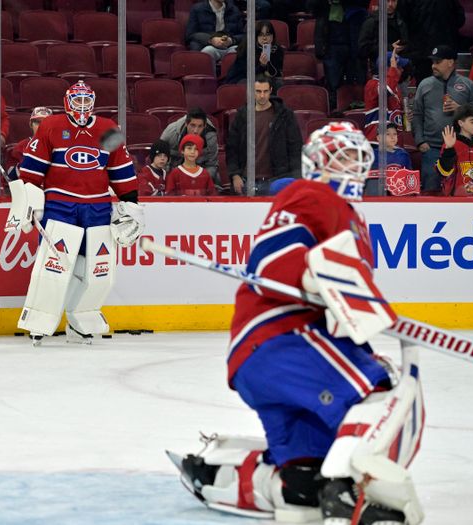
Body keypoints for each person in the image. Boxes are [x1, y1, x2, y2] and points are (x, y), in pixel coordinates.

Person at [172, 122, 424, 525]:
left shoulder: (351, 217)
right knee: (378, 388)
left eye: (354, 155)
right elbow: (270, 261)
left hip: (262, 362)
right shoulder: (310, 193)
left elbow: (347, 305)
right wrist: (316, 280)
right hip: (285, 341)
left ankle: (220, 474)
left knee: (304, 483)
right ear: (316, 161)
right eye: (339, 154)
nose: (349, 163)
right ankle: (351, 496)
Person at [10, 80, 143, 344]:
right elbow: (32, 172)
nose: (82, 106)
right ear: (67, 102)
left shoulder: (109, 129)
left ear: (93, 102)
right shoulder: (52, 126)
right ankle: (39, 320)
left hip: (98, 208)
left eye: (86, 100)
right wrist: (29, 204)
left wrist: (131, 205)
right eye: (77, 100)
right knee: (53, 266)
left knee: (96, 269)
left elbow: (122, 172)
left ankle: (81, 320)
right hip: (60, 205)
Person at [411, 45, 473, 194]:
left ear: (450, 62)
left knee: (461, 190)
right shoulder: (424, 85)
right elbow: (417, 114)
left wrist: (460, 108)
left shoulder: (467, 85)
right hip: (431, 147)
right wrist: (420, 140)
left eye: (438, 62)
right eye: (432, 62)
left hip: (461, 149)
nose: (433, 65)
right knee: (430, 191)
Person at [226, 76, 302, 195]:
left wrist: (296, 177)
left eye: (265, 91)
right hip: (247, 181)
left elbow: (295, 147)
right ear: (252, 91)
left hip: (277, 181)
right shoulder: (242, 115)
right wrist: (235, 175)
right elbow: (232, 147)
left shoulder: (284, 115)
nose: (262, 95)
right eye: (258, 91)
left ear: (271, 90)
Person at [307, 0, 368, 110]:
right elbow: (311, 6)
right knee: (333, 83)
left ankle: (353, 114)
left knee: (353, 83)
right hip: (331, 42)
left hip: (354, 38)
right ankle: (334, 112)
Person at [395, 0, 464, 83]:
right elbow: (460, 19)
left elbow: (402, 18)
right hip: (444, 49)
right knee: (446, 88)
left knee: (424, 87)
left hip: (421, 50)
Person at [159, 107, 219, 187]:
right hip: (175, 173)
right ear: (186, 123)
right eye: (192, 125)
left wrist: (200, 179)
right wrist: (170, 178)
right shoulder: (171, 133)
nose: (195, 130)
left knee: (216, 179)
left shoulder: (210, 137)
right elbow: (160, 158)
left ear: (204, 126)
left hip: (200, 175)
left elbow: (212, 165)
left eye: (200, 126)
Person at [363, 51, 411, 141]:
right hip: (377, 142)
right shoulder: (372, 84)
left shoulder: (396, 88)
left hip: (394, 142)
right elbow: (385, 91)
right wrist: (393, 69)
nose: (402, 69)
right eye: (399, 66)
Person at [224, 20, 284, 90]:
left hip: (265, 79)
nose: (264, 38)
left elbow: (276, 73)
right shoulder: (247, 49)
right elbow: (247, 73)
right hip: (243, 78)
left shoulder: (277, 50)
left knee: (279, 83)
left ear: (273, 36)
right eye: (261, 35)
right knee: (254, 85)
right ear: (255, 36)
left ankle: (274, 101)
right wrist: (262, 66)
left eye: (268, 34)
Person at [357, 0, 409, 66]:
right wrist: (391, 48)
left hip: (399, 65)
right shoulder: (371, 22)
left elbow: (406, 43)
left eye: (393, 1)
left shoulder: (400, 21)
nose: (390, 4)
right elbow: (363, 49)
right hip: (377, 68)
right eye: (387, 1)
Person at [6, 106, 52, 181]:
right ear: (31, 124)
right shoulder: (20, 147)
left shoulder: (59, 147)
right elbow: (10, 179)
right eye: (38, 122)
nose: (42, 126)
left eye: (46, 122)